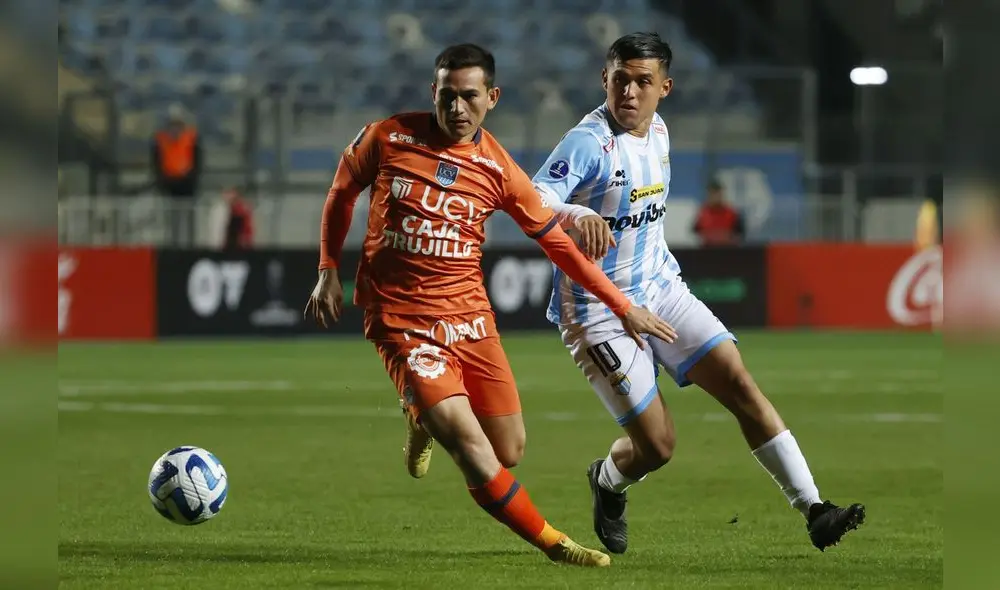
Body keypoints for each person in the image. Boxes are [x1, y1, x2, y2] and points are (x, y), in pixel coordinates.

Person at [303, 43, 677, 568]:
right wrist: (327, 271)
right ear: (433, 92)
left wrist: (621, 305)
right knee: (472, 451)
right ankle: (554, 543)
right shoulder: (387, 137)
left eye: (470, 97)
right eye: (448, 96)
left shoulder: (498, 168)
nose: (457, 109)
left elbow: (558, 246)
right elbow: (342, 192)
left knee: (508, 450)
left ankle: (420, 417)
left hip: (470, 317)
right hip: (402, 320)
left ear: (492, 98)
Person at [530, 32, 865, 555]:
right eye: (621, 79)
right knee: (658, 447)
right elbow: (534, 199)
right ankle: (608, 482)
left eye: (643, 82)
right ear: (605, 79)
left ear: (665, 86)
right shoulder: (588, 142)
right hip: (597, 310)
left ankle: (815, 510)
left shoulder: (660, 131)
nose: (630, 92)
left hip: (660, 287)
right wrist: (579, 213)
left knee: (740, 383)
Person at [692, 178, 746, 246]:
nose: (715, 197)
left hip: (728, 250)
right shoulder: (702, 215)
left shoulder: (731, 214)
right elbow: (695, 233)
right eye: (712, 193)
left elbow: (739, 234)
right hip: (707, 251)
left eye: (717, 193)